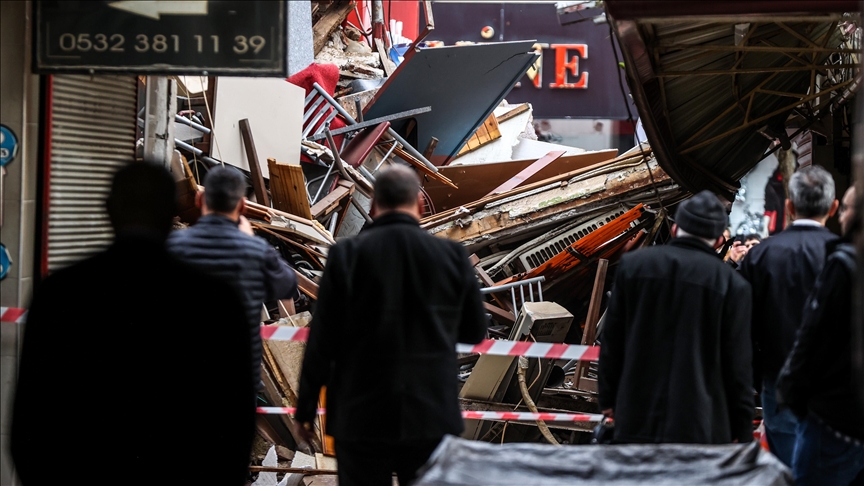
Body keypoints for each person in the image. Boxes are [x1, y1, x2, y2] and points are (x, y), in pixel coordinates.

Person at [11, 163, 256, 485]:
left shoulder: (61, 293)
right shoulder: (216, 301)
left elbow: (30, 419)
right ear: (172, 212)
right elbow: (235, 423)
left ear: (109, 209)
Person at [295, 165, 488, 486]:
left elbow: (322, 341)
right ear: (420, 205)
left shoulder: (346, 255)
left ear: (372, 207)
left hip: (360, 414)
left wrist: (304, 410)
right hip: (429, 413)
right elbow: (474, 332)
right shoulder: (451, 255)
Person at [598, 190, 754, 444]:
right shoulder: (733, 286)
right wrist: (742, 429)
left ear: (675, 229)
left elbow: (612, 341)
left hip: (636, 414)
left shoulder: (634, 266)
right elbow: (737, 366)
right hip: (699, 425)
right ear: (717, 240)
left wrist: (608, 400)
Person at [739, 165, 839, 466]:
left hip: (777, 380)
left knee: (784, 465)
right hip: (835, 387)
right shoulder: (845, 255)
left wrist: (757, 374)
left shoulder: (760, 256)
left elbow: (741, 324)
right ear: (833, 208)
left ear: (789, 207)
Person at [167, 165, 297, 386]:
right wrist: (250, 239)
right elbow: (288, 286)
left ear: (199, 199)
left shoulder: (172, 246)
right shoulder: (257, 252)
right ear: (243, 205)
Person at [777, 185, 864, 485]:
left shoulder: (844, 264)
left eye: (849, 209)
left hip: (835, 417)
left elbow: (813, 338)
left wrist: (790, 392)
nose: (843, 215)